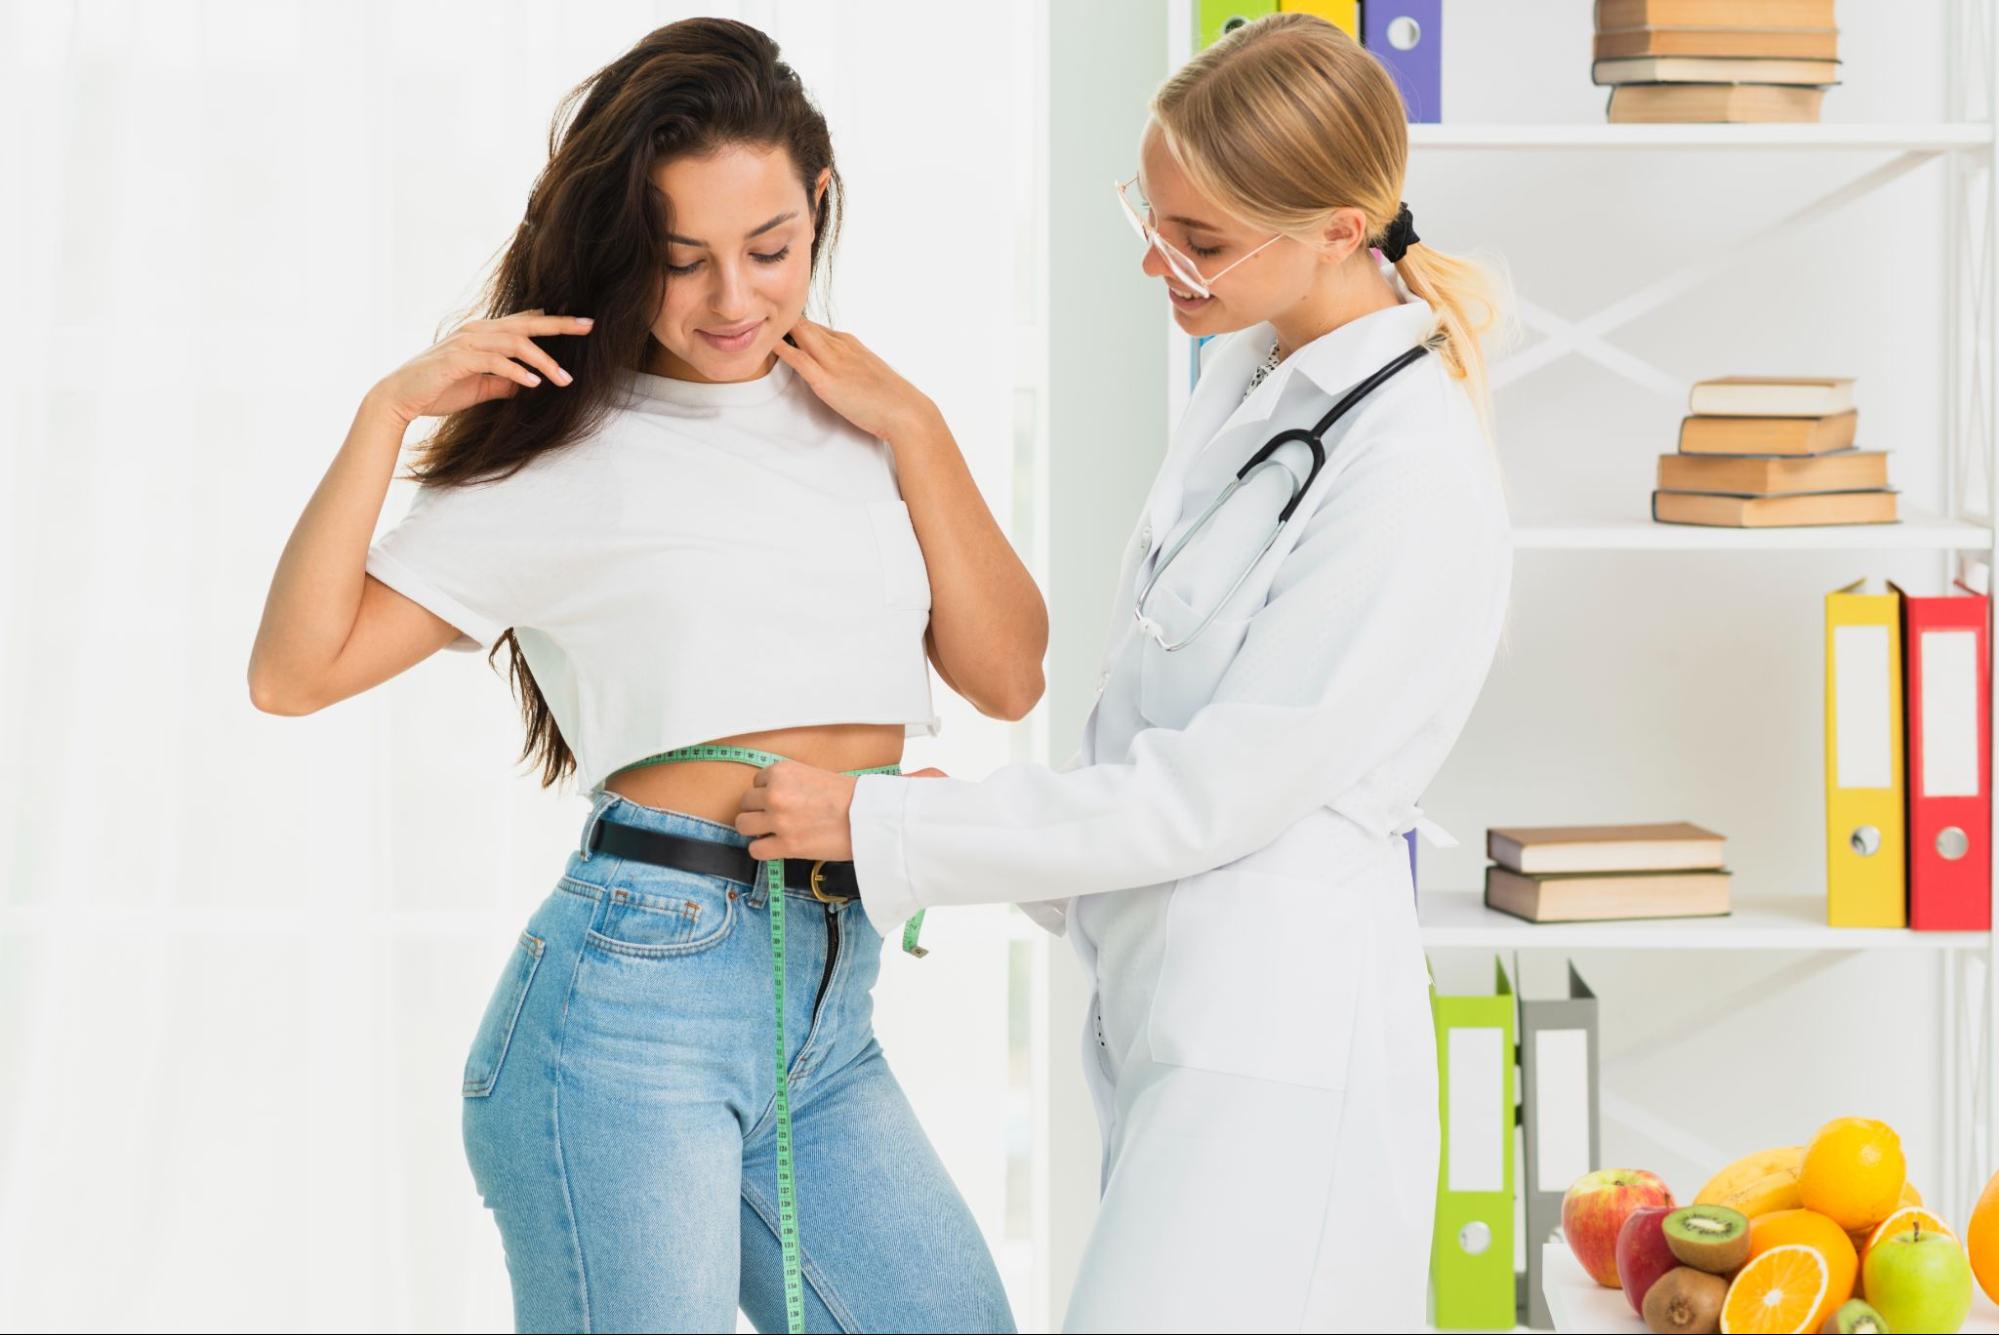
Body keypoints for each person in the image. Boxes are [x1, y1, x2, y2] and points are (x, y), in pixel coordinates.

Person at [246, 17, 1036, 1333]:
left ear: (821, 208)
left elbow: (1007, 676)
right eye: (683, 264)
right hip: (634, 1004)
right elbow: (293, 671)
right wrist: (387, 415)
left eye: (771, 250)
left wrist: (922, 430)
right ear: (625, 253)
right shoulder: (572, 456)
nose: (734, 299)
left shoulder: (870, 418)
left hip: (828, 1004)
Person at [736, 14, 1512, 1332]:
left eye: (1201, 241)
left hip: (1280, 1044)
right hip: (1183, 1009)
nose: (1161, 263)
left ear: (1336, 228)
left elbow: (1208, 794)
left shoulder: (1413, 469)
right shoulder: (1251, 382)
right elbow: (1148, 733)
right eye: (1149, 217)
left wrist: (893, 824)